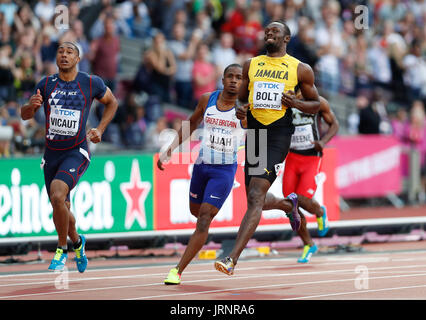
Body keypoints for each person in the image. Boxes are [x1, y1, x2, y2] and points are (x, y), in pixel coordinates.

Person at [214, 21, 320, 276]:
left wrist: (295, 102)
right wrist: (241, 109)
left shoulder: (300, 69)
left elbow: (316, 104)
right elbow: (243, 97)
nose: (269, 33)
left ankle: (232, 259)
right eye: (267, 31)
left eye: (275, 31)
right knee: (255, 197)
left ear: (286, 38)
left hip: (278, 135)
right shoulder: (252, 64)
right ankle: (288, 205)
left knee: (255, 196)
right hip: (256, 134)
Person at [20, 41, 118, 272]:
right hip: (51, 154)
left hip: (77, 151)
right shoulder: (45, 84)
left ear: (77, 58)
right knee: (60, 205)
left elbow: (112, 103)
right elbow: (26, 115)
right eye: (60, 52)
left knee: (57, 192)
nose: (64, 55)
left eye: (69, 52)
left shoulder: (90, 82)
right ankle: (77, 241)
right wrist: (30, 106)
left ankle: (61, 250)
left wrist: (100, 130)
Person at [157, 64, 245, 285]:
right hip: (202, 165)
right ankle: (201, 237)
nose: (234, 81)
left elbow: (260, 137)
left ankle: (177, 270)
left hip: (224, 171)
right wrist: (170, 149)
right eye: (230, 77)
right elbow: (191, 123)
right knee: (196, 212)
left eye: (239, 78)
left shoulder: (246, 110)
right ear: (222, 80)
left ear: (244, 83)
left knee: (204, 218)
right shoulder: (208, 100)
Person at [282, 90, 339, 263]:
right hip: (292, 157)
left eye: (298, 90)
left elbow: (334, 124)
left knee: (302, 198)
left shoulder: (317, 102)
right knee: (289, 204)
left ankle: (320, 212)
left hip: (311, 157)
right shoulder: (285, 102)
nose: (295, 93)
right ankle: (308, 243)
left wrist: (322, 142)